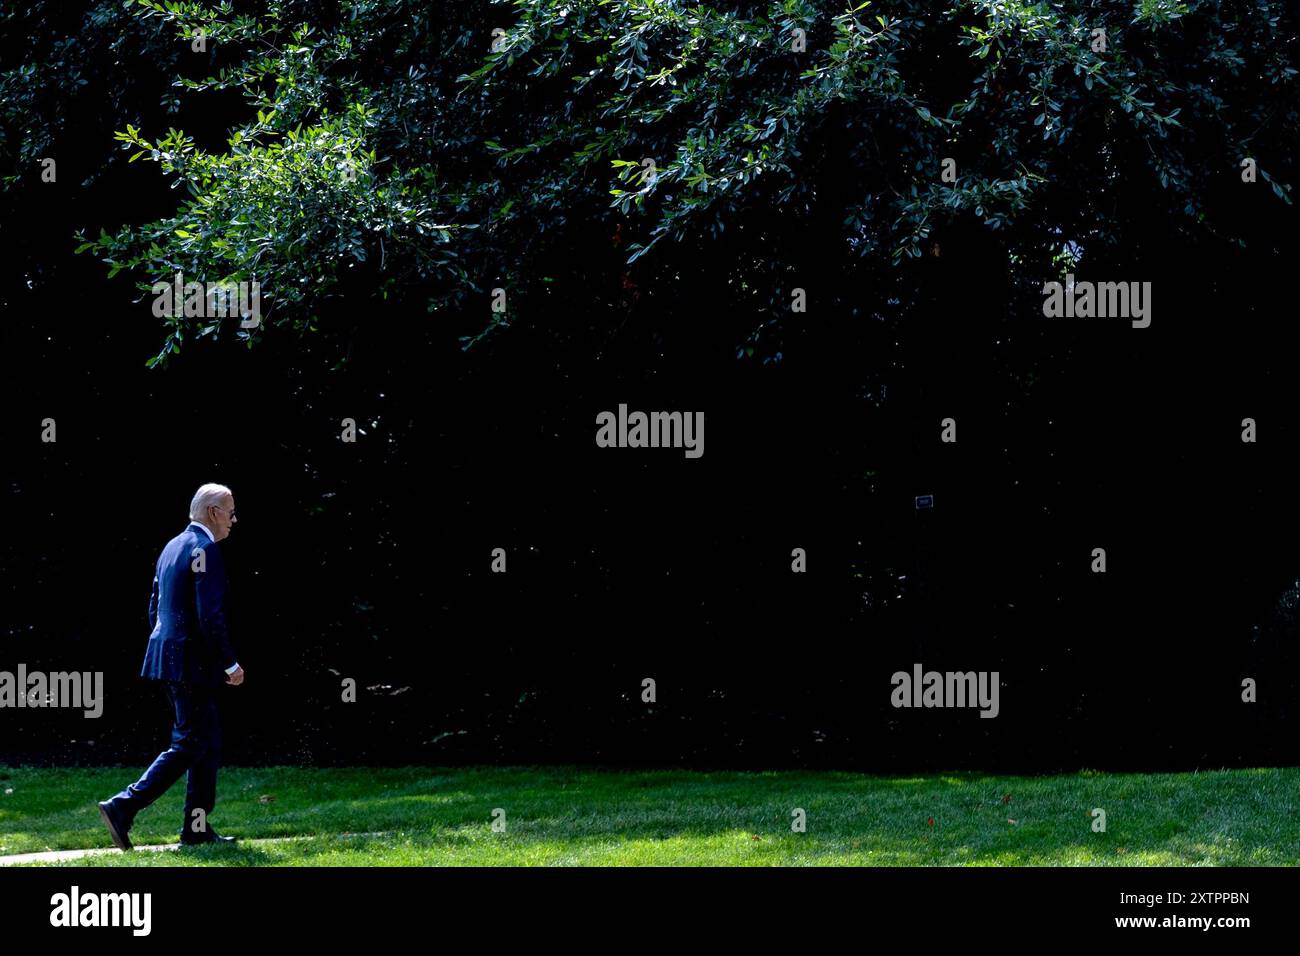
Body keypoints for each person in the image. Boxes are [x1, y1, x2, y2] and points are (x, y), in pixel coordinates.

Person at [97, 483, 245, 850]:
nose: (234, 519)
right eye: (230, 511)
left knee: (205, 744)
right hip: (192, 663)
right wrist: (230, 664)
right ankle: (123, 805)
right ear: (213, 512)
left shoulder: (172, 546)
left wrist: (167, 648)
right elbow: (210, 616)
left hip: (168, 658)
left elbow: (154, 606)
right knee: (189, 743)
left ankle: (196, 828)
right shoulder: (205, 549)